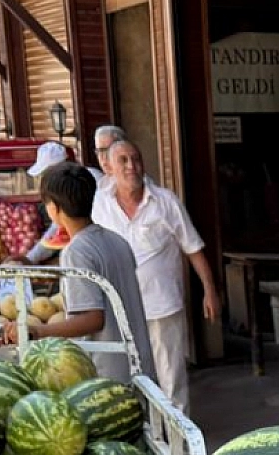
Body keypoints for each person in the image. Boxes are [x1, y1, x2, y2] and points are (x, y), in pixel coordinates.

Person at [92, 139, 219, 412]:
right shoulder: (99, 205)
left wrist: (209, 290)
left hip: (162, 307)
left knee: (171, 378)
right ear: (109, 168)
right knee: (131, 378)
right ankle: (144, 433)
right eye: (123, 160)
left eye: (136, 159)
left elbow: (193, 249)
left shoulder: (165, 202)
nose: (131, 166)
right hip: (119, 310)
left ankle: (179, 436)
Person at [8, 162, 156, 384]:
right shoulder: (116, 241)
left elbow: (93, 319)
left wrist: (37, 331)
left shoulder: (76, 251)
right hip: (140, 368)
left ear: (54, 208)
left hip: (109, 375)